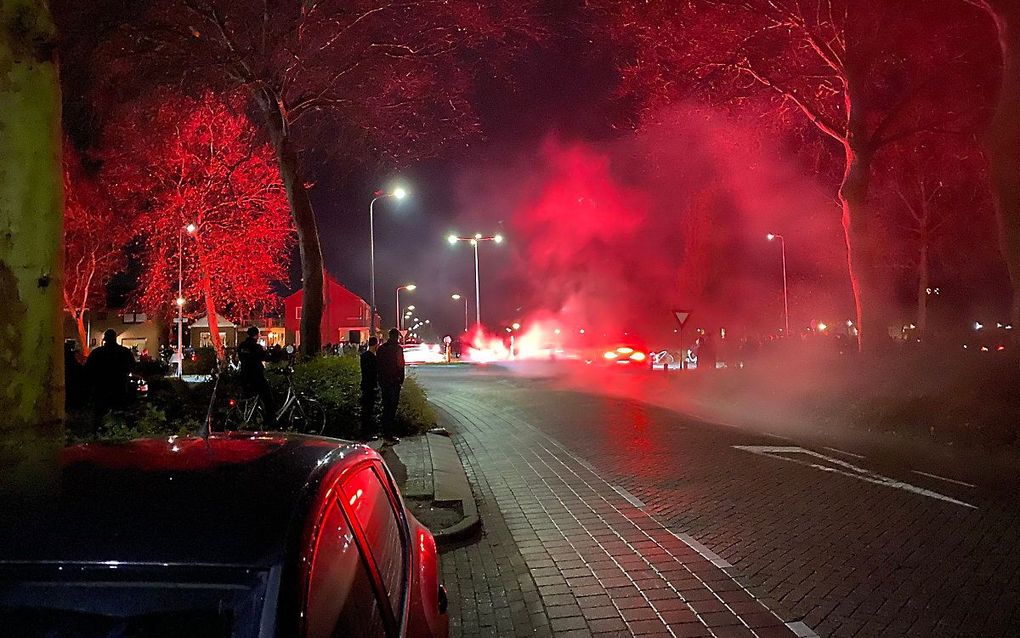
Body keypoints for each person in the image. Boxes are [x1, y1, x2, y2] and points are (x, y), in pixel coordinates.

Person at [85, 329, 135, 427]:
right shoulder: (124, 352)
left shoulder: (97, 353)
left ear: (105, 339)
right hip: (119, 388)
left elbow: (88, 369)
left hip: (101, 389)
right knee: (119, 416)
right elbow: (132, 367)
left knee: (100, 418)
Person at [237, 326, 276, 426]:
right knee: (268, 398)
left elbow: (241, 358)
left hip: (244, 376)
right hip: (256, 377)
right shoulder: (256, 347)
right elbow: (266, 357)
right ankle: (270, 420)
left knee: (250, 397)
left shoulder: (241, 346)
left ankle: (254, 415)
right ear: (257, 335)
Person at [376, 328, 406, 444]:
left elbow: (378, 365)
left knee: (385, 406)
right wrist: (401, 380)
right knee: (392, 408)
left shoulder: (381, 349)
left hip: (384, 382)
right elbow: (400, 365)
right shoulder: (398, 349)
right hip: (394, 382)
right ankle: (389, 434)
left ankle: (384, 432)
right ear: (397, 337)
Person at [359, 336, 380, 440]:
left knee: (365, 410)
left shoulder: (363, 356)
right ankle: (367, 433)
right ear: (376, 344)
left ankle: (364, 432)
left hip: (365, 385)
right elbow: (374, 373)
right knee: (369, 410)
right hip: (371, 386)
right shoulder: (373, 358)